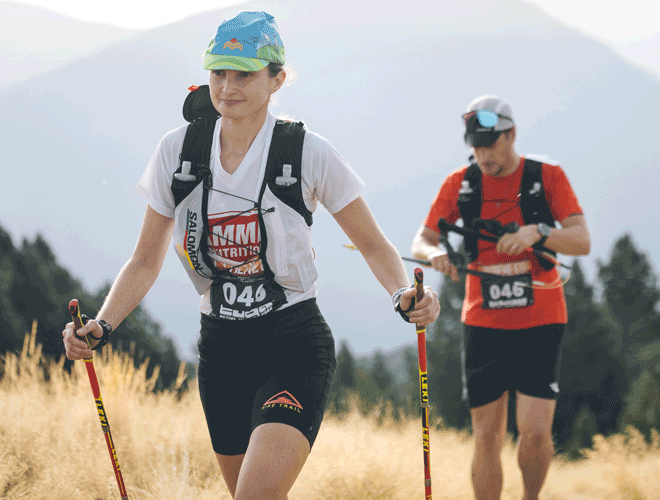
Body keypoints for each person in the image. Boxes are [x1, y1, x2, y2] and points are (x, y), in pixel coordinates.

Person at [61, 10, 440, 500]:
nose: (227, 86)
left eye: (244, 74)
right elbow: (145, 260)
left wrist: (402, 295)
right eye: (218, 73)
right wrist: (103, 326)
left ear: (276, 79)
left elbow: (371, 242)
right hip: (221, 350)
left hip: (293, 342)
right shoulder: (177, 153)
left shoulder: (306, 151)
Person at [412, 95, 590, 500]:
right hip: (483, 326)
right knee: (486, 436)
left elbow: (582, 241)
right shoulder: (461, 184)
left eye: (490, 143)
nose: (482, 153)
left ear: (511, 134)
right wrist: (435, 254)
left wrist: (538, 233)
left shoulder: (547, 176)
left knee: (535, 432)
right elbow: (423, 239)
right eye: (475, 145)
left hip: (541, 322)